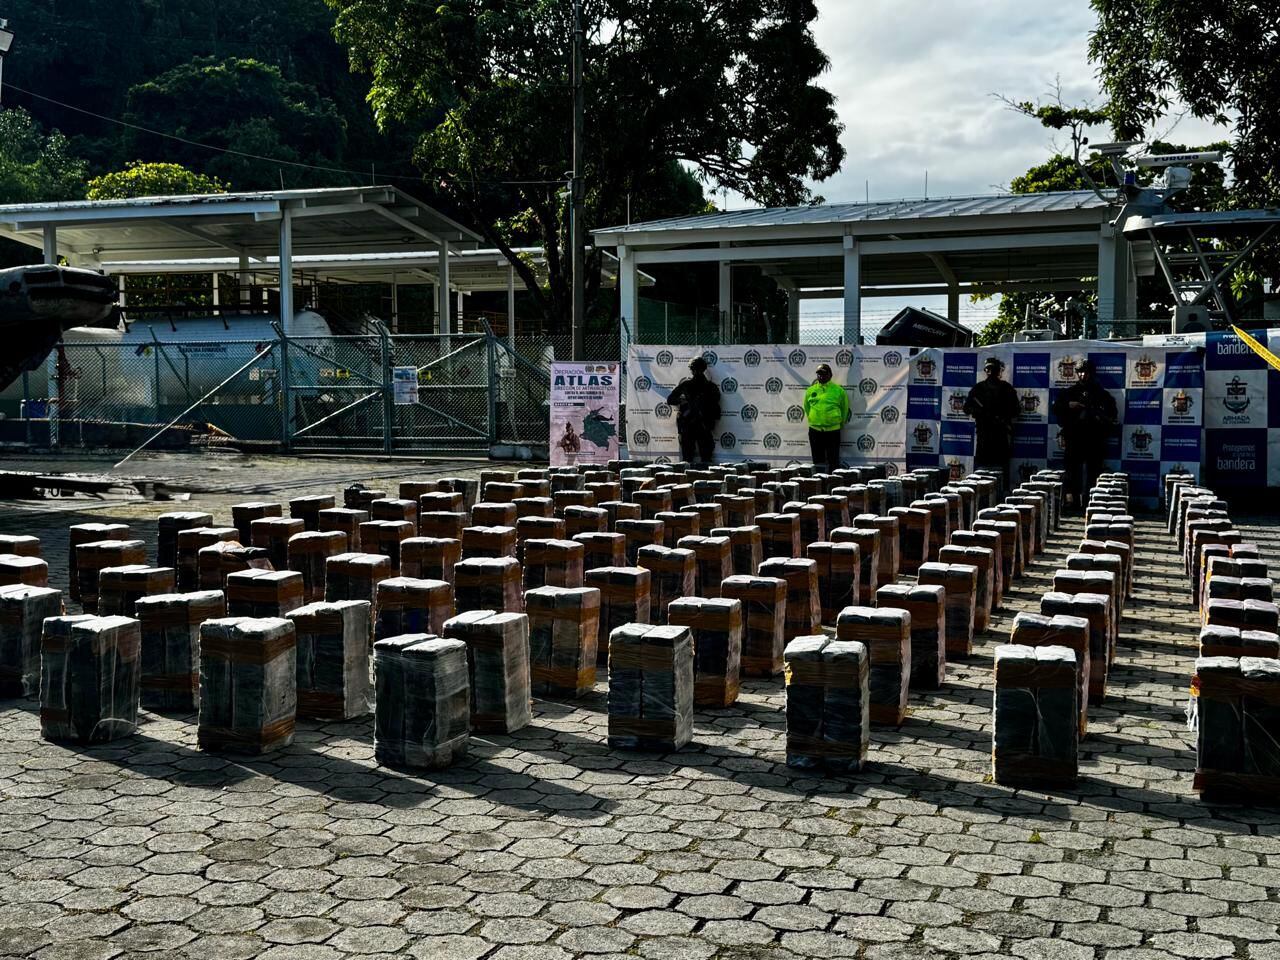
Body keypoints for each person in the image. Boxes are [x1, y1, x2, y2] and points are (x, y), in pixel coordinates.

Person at [1052, 359, 1117, 509]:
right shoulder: (1070, 392)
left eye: (1086, 372)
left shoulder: (1100, 393)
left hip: (1094, 438)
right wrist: (1070, 405)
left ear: (1091, 373)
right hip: (1074, 437)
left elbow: (1112, 415)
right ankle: (1072, 501)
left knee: (1094, 472)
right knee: (1072, 471)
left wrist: (1097, 416)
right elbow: (1056, 408)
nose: (1083, 375)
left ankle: (1090, 501)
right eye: (1080, 372)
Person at [963, 357, 1020, 487]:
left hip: (1001, 433)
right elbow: (967, 408)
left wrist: (1003, 416)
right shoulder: (979, 388)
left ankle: (1003, 492)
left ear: (999, 371)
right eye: (989, 369)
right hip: (984, 433)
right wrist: (978, 412)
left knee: (1002, 467)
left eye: (994, 369)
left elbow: (1016, 410)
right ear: (986, 371)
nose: (991, 372)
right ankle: (981, 492)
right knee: (982, 468)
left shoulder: (1006, 388)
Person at [666, 357, 721, 466]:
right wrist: (684, 402)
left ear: (692, 370)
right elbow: (671, 399)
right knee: (703, 458)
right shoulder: (710, 386)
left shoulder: (688, 385)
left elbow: (670, 399)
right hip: (694, 425)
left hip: (696, 425)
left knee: (689, 458)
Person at [803, 363, 850, 473]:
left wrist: (838, 423)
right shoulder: (810, 390)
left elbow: (845, 409)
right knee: (817, 460)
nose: (821, 376)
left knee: (833, 460)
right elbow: (807, 407)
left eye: (824, 374)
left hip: (833, 431)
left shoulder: (838, 390)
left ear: (830, 375)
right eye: (819, 374)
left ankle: (833, 484)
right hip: (815, 431)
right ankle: (819, 484)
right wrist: (813, 420)